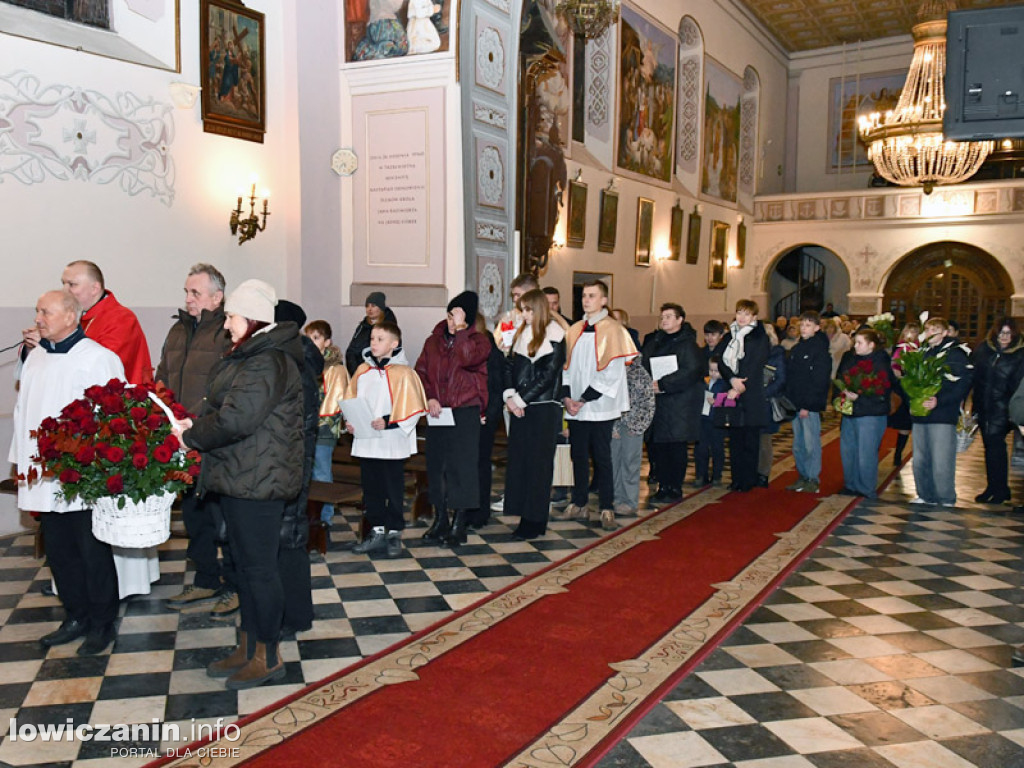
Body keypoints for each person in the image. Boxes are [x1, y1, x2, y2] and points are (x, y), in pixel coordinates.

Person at [174, 279, 305, 690]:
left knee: (260, 571)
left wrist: (191, 435)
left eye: (230, 316)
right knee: (245, 571)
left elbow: (236, 419)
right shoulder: (249, 354)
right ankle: (247, 646)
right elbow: (220, 405)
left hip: (259, 482)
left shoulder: (267, 361)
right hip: (240, 477)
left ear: (251, 319)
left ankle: (268, 655)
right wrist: (194, 421)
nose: (225, 324)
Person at [12, 290, 123, 655]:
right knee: (59, 553)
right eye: (38, 310)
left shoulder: (98, 359)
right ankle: (75, 616)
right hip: (43, 475)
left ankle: (102, 622)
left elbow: (112, 418)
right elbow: (22, 411)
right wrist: (21, 461)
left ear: (71, 316)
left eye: (46, 311)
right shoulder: (37, 357)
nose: (39, 317)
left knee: (92, 552)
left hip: (81, 477)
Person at [156, 264, 237, 617]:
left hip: (215, 440)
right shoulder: (178, 330)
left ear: (217, 298)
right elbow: (162, 377)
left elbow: (230, 389)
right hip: (181, 441)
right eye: (187, 292)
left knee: (227, 518)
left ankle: (235, 586)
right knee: (194, 515)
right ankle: (206, 579)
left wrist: (202, 423)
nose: (188, 299)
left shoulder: (226, 332)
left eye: (195, 293)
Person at [552, 280, 638, 530]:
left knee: (602, 456)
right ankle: (578, 503)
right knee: (577, 455)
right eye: (584, 296)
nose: (586, 300)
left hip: (600, 405)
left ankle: (606, 507)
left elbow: (611, 373)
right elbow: (566, 368)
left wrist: (583, 399)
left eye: (592, 296)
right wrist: (567, 397)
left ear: (603, 300)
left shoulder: (613, 329)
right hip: (576, 405)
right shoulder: (574, 329)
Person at [415, 291, 491, 547]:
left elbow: (468, 358)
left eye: (457, 316)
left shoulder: (480, 342)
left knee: (462, 468)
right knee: (437, 467)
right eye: (449, 315)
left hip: (465, 411)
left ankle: (459, 523)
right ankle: (440, 520)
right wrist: (429, 398)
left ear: (467, 318)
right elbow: (421, 373)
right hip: (438, 412)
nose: (451, 321)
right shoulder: (432, 342)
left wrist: (461, 331)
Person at [345, 321, 427, 556]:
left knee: (393, 489)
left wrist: (388, 421)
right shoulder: (362, 371)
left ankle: (394, 533)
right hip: (367, 440)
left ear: (394, 343)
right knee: (371, 489)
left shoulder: (404, 373)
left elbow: (412, 408)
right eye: (372, 339)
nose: (374, 343)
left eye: (380, 339)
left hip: (391, 442)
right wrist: (351, 420)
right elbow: (352, 399)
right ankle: (376, 530)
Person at [274, 299, 322, 639]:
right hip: (288, 459)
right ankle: (292, 611)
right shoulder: (295, 357)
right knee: (288, 535)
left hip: (291, 459)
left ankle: (295, 614)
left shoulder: (296, 363)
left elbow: (296, 422)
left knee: (289, 535)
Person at [502, 289, 566, 539]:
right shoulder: (521, 334)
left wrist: (520, 399)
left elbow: (548, 375)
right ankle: (524, 515)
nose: (524, 314)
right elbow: (510, 365)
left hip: (542, 408)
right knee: (521, 464)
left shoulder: (555, 334)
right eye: (522, 309)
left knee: (539, 466)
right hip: (520, 408)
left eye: (529, 309)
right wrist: (509, 395)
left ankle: (535, 520)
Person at [641, 303, 704, 505]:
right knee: (659, 446)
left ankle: (675, 486)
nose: (664, 320)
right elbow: (644, 364)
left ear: (680, 320)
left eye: (669, 316)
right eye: (662, 317)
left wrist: (664, 384)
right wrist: (648, 382)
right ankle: (662, 485)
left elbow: (691, 370)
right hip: (658, 400)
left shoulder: (688, 344)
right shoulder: (655, 341)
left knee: (676, 446)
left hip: (679, 402)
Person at [910, 317, 974, 506]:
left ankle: (945, 497)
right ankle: (925, 494)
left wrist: (939, 400)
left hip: (942, 415)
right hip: (921, 415)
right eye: (927, 329)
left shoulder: (955, 354)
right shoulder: (922, 352)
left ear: (945, 333)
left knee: (941, 460)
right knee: (920, 459)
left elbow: (962, 385)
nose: (930, 333)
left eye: (935, 330)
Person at [60, 260, 153, 384]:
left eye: (72, 284)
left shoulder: (121, 319)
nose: (64, 291)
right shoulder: (83, 316)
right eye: (64, 284)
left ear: (94, 288)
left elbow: (103, 364)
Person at [719, 300, 771, 493]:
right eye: (739, 313)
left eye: (746, 314)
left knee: (750, 439)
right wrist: (732, 380)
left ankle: (748, 479)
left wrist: (740, 385)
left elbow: (756, 364)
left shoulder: (760, 337)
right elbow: (721, 360)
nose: (741, 317)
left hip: (751, 393)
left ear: (754, 317)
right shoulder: (729, 336)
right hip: (732, 389)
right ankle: (736, 478)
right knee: (734, 439)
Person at [971, 319, 1024, 505]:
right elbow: (975, 377)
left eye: (1008, 334)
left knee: (995, 447)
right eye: (1001, 333)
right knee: (992, 448)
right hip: (985, 406)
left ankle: (999, 489)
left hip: (1005, 407)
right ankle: (995, 487)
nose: (1004, 337)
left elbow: (1018, 384)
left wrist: (1014, 410)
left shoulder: (1019, 354)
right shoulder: (985, 350)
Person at [835, 328, 892, 497]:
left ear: (871, 345)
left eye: (860, 343)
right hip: (851, 412)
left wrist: (859, 397)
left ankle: (866, 488)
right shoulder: (850, 358)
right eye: (855, 342)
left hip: (871, 413)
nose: (856, 346)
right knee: (848, 450)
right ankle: (850, 484)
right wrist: (843, 393)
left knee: (865, 452)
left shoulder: (881, 361)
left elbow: (883, 389)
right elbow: (841, 377)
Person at [305, 320, 349, 526]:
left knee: (322, 472)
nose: (311, 342)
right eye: (308, 338)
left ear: (327, 342)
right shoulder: (305, 365)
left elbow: (334, 402)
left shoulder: (335, 369)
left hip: (324, 428)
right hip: (305, 429)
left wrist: (313, 422)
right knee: (307, 472)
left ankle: (324, 519)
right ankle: (308, 514)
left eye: (316, 338)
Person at [784, 310, 832, 493]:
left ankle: (813, 478)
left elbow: (818, 381)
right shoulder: (797, 349)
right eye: (802, 325)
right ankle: (802, 475)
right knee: (798, 444)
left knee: (811, 443)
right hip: (796, 403)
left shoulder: (819, 350)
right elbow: (792, 377)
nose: (804, 328)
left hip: (808, 405)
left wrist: (807, 405)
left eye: (808, 325)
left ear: (817, 328)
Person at [611, 349, 655, 517]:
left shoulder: (640, 374)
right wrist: (613, 426)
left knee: (630, 463)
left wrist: (635, 426)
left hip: (633, 426)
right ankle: (615, 498)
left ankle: (629, 501)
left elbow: (648, 403)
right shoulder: (612, 371)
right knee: (613, 463)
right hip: (614, 423)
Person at [471, 312, 505, 528]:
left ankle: (480, 511)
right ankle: (464, 508)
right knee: (465, 465)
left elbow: (496, 386)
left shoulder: (491, 351)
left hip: (484, 416)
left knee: (481, 464)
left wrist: (488, 415)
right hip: (464, 414)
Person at [757, 324, 788, 487]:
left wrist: (764, 393)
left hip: (767, 401)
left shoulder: (776, 354)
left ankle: (763, 473)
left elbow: (781, 380)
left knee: (764, 440)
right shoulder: (752, 352)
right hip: (752, 401)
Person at [889, 322, 920, 466]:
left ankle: (898, 453)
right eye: (908, 331)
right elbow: (893, 367)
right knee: (891, 418)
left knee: (905, 425)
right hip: (898, 388)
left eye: (914, 332)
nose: (910, 334)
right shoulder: (899, 347)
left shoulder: (920, 349)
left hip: (911, 390)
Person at [695, 356, 729, 486]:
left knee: (717, 449)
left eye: (716, 371)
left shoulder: (725, 384)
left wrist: (717, 401)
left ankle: (716, 475)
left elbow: (730, 400)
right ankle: (700, 475)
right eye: (711, 370)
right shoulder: (705, 381)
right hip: (703, 419)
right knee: (701, 448)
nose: (713, 374)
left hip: (716, 420)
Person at [346, 292, 397, 374]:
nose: (369, 309)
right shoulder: (362, 326)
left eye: (373, 306)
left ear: (380, 308)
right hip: (359, 372)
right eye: (367, 306)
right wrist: (356, 372)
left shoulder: (390, 328)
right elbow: (351, 351)